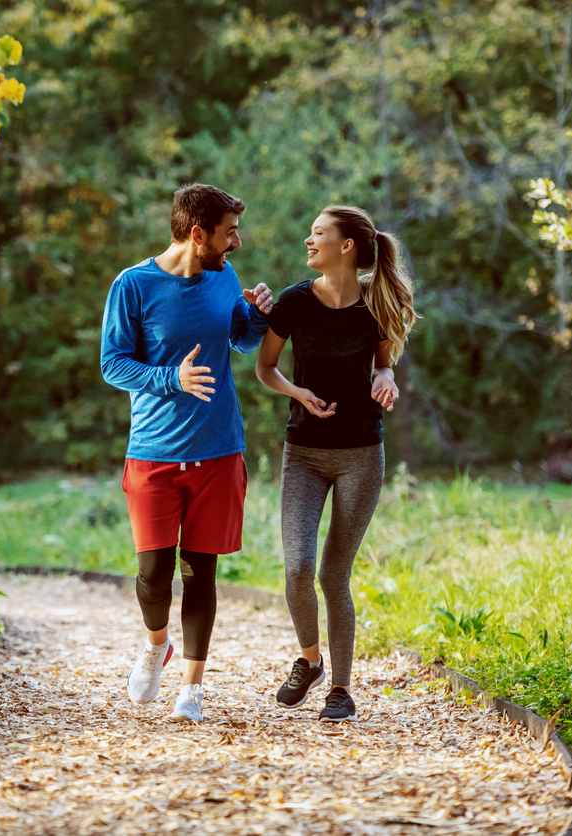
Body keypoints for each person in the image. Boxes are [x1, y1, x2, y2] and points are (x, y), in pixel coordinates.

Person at [100, 183, 274, 723]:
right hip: (153, 452)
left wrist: (257, 317)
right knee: (153, 575)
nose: (236, 243)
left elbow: (240, 341)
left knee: (202, 573)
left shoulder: (226, 277)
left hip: (219, 449)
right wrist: (170, 378)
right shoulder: (134, 285)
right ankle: (157, 645)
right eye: (229, 233)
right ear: (198, 234)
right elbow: (113, 364)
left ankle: (192, 689)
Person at [255, 205, 418, 722]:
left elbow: (384, 363)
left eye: (318, 233)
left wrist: (387, 378)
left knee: (333, 574)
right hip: (303, 452)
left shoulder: (376, 303)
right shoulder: (295, 302)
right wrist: (298, 393)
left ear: (345, 246)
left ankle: (341, 691)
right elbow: (264, 367)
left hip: (361, 456)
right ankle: (309, 661)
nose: (309, 240)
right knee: (298, 567)